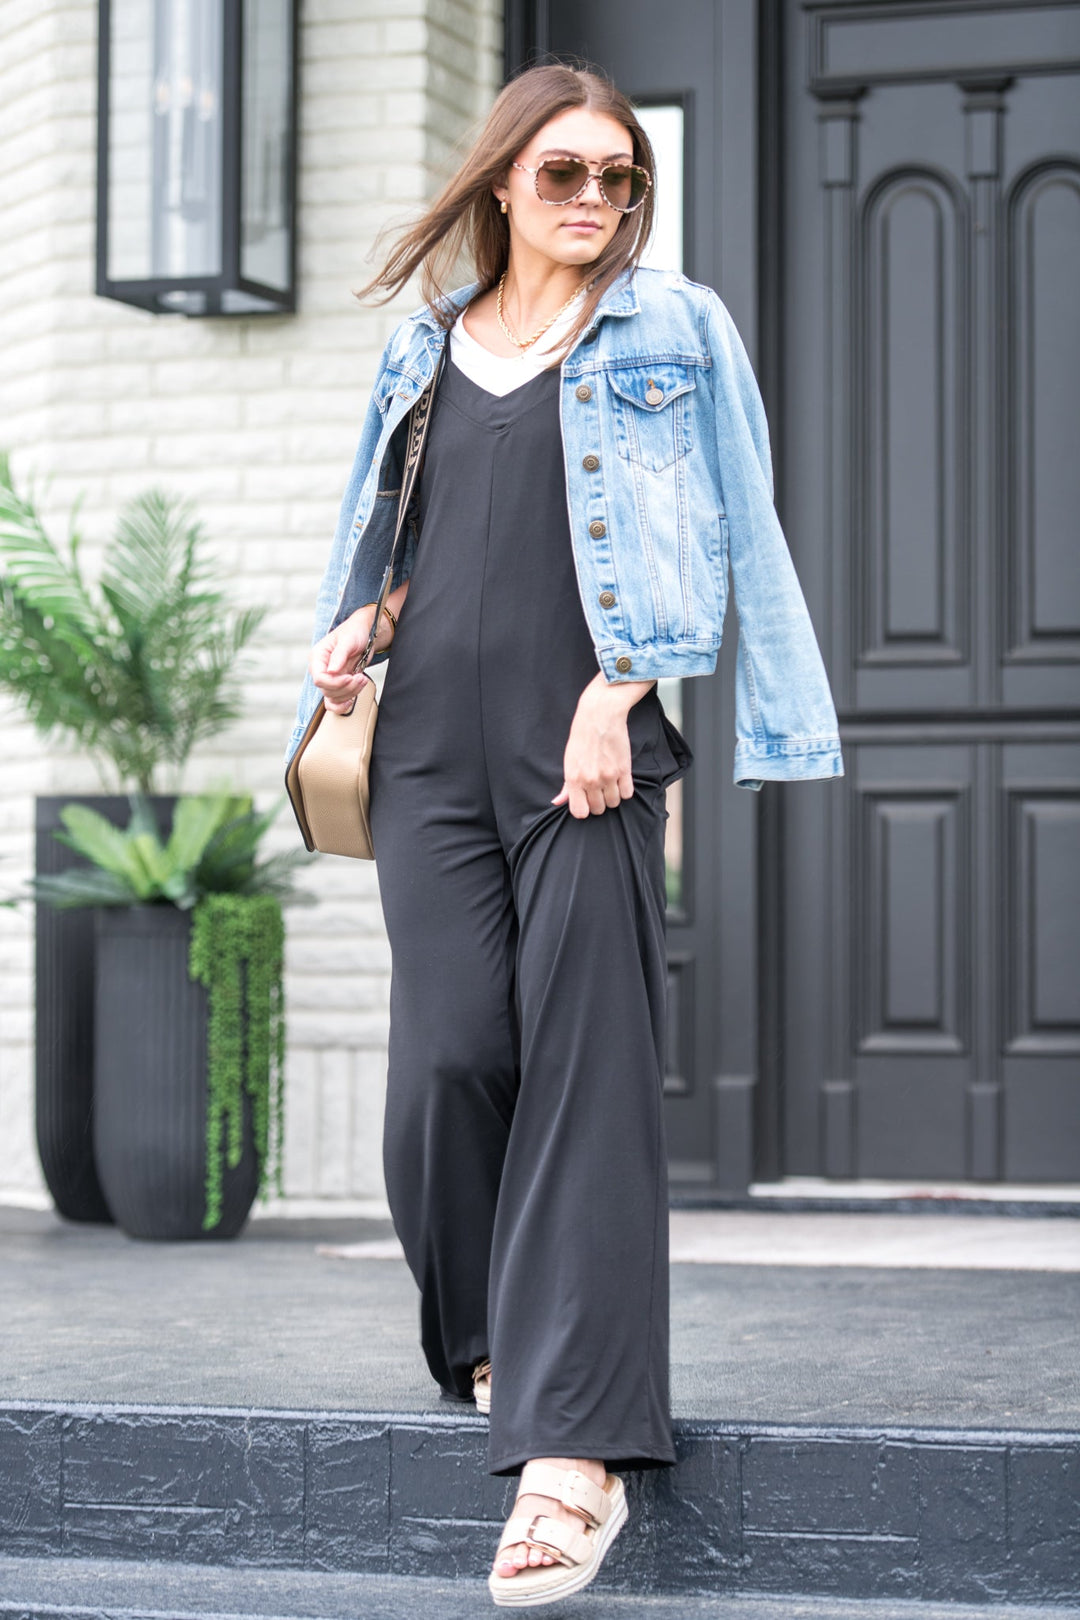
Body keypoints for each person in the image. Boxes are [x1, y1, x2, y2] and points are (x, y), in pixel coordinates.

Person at [286, 61, 843, 1608]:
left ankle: (574, 1451)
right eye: (563, 174)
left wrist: (626, 687)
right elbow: (399, 531)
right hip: (426, 752)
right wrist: (359, 622)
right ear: (499, 183)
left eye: (618, 178)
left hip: (584, 746)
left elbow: (728, 527)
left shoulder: (676, 329)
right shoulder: (428, 342)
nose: (594, 200)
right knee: (449, 1061)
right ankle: (484, 1342)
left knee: (587, 1074)